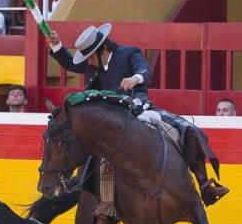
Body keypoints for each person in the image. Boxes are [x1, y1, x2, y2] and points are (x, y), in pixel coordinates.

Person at [47, 23, 229, 205]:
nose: (88, 62)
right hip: (108, 122)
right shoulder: (92, 65)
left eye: (90, 57)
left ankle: (204, 186)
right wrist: (56, 45)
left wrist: (135, 78)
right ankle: (98, 202)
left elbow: (145, 70)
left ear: (102, 50)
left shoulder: (128, 53)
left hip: (137, 108)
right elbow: (71, 63)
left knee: (188, 129)